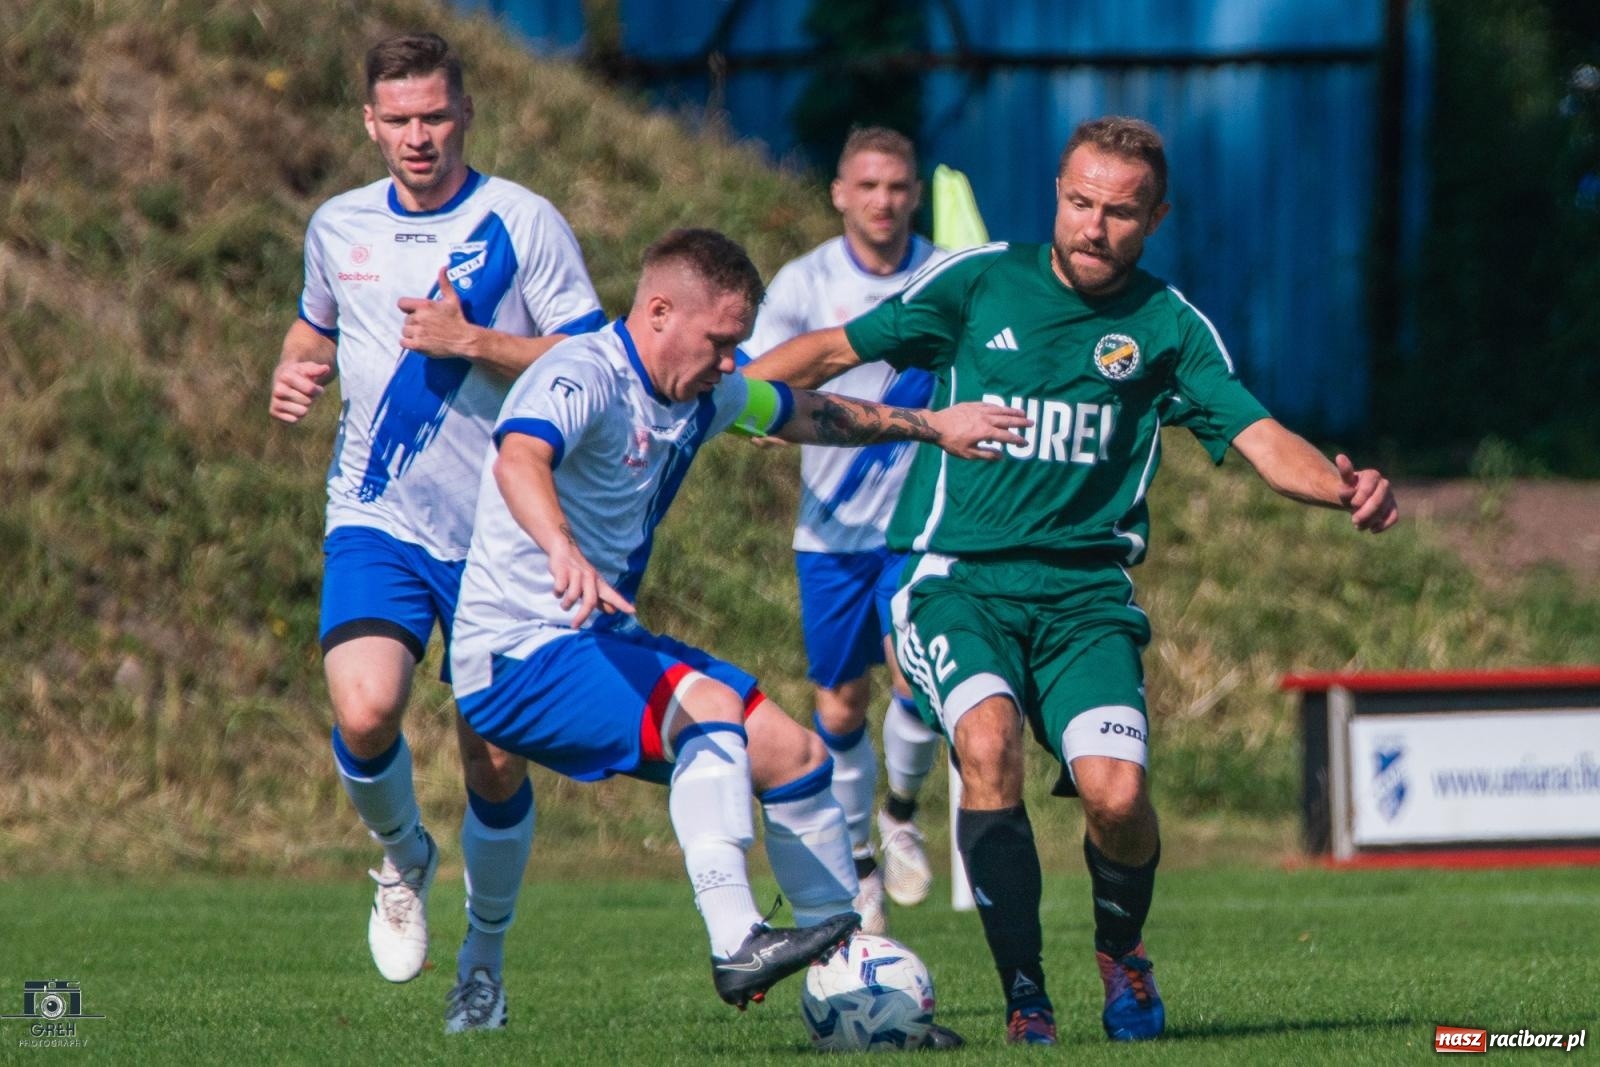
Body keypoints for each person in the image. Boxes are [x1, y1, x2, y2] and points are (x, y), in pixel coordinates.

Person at [746, 116, 1400, 1046]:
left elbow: (1260, 438)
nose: (1095, 226)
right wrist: (723, 394)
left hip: (1088, 600)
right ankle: (1027, 998)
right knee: (987, 740)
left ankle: (1122, 953)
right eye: (1080, 202)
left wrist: (1345, 489)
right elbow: (832, 350)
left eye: (1121, 212)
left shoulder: (1168, 328)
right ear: (1057, 193)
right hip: (956, 580)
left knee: (1119, 797)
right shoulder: (978, 284)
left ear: (1156, 218)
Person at [447, 227, 1028, 1036]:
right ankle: (735, 938)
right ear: (658, 312)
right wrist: (560, 547)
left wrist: (934, 425)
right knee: (709, 706)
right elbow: (519, 458)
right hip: (514, 654)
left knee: (796, 755)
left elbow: (810, 411)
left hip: (594, 637)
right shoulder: (582, 373)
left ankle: (858, 980)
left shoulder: (704, 393)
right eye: (720, 341)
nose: (731, 362)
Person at [267, 31, 607, 1028]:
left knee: (493, 757)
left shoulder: (523, 221)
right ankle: (403, 852)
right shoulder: (339, 224)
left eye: (435, 116)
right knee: (365, 710)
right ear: (370, 123)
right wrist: (297, 363)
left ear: (465, 115)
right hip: (378, 511)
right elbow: (315, 321)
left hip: (504, 529)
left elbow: (594, 366)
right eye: (399, 119)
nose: (418, 136)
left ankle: (483, 960)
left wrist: (475, 342)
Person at [743, 127, 949, 935]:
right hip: (829, 532)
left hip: (919, 523)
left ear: (915, 194)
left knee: (921, 677)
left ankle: (901, 812)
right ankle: (862, 858)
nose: (883, 201)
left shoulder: (942, 275)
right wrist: (759, 413)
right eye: (868, 185)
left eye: (897, 186)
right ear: (839, 193)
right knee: (839, 705)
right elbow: (761, 374)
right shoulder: (804, 281)